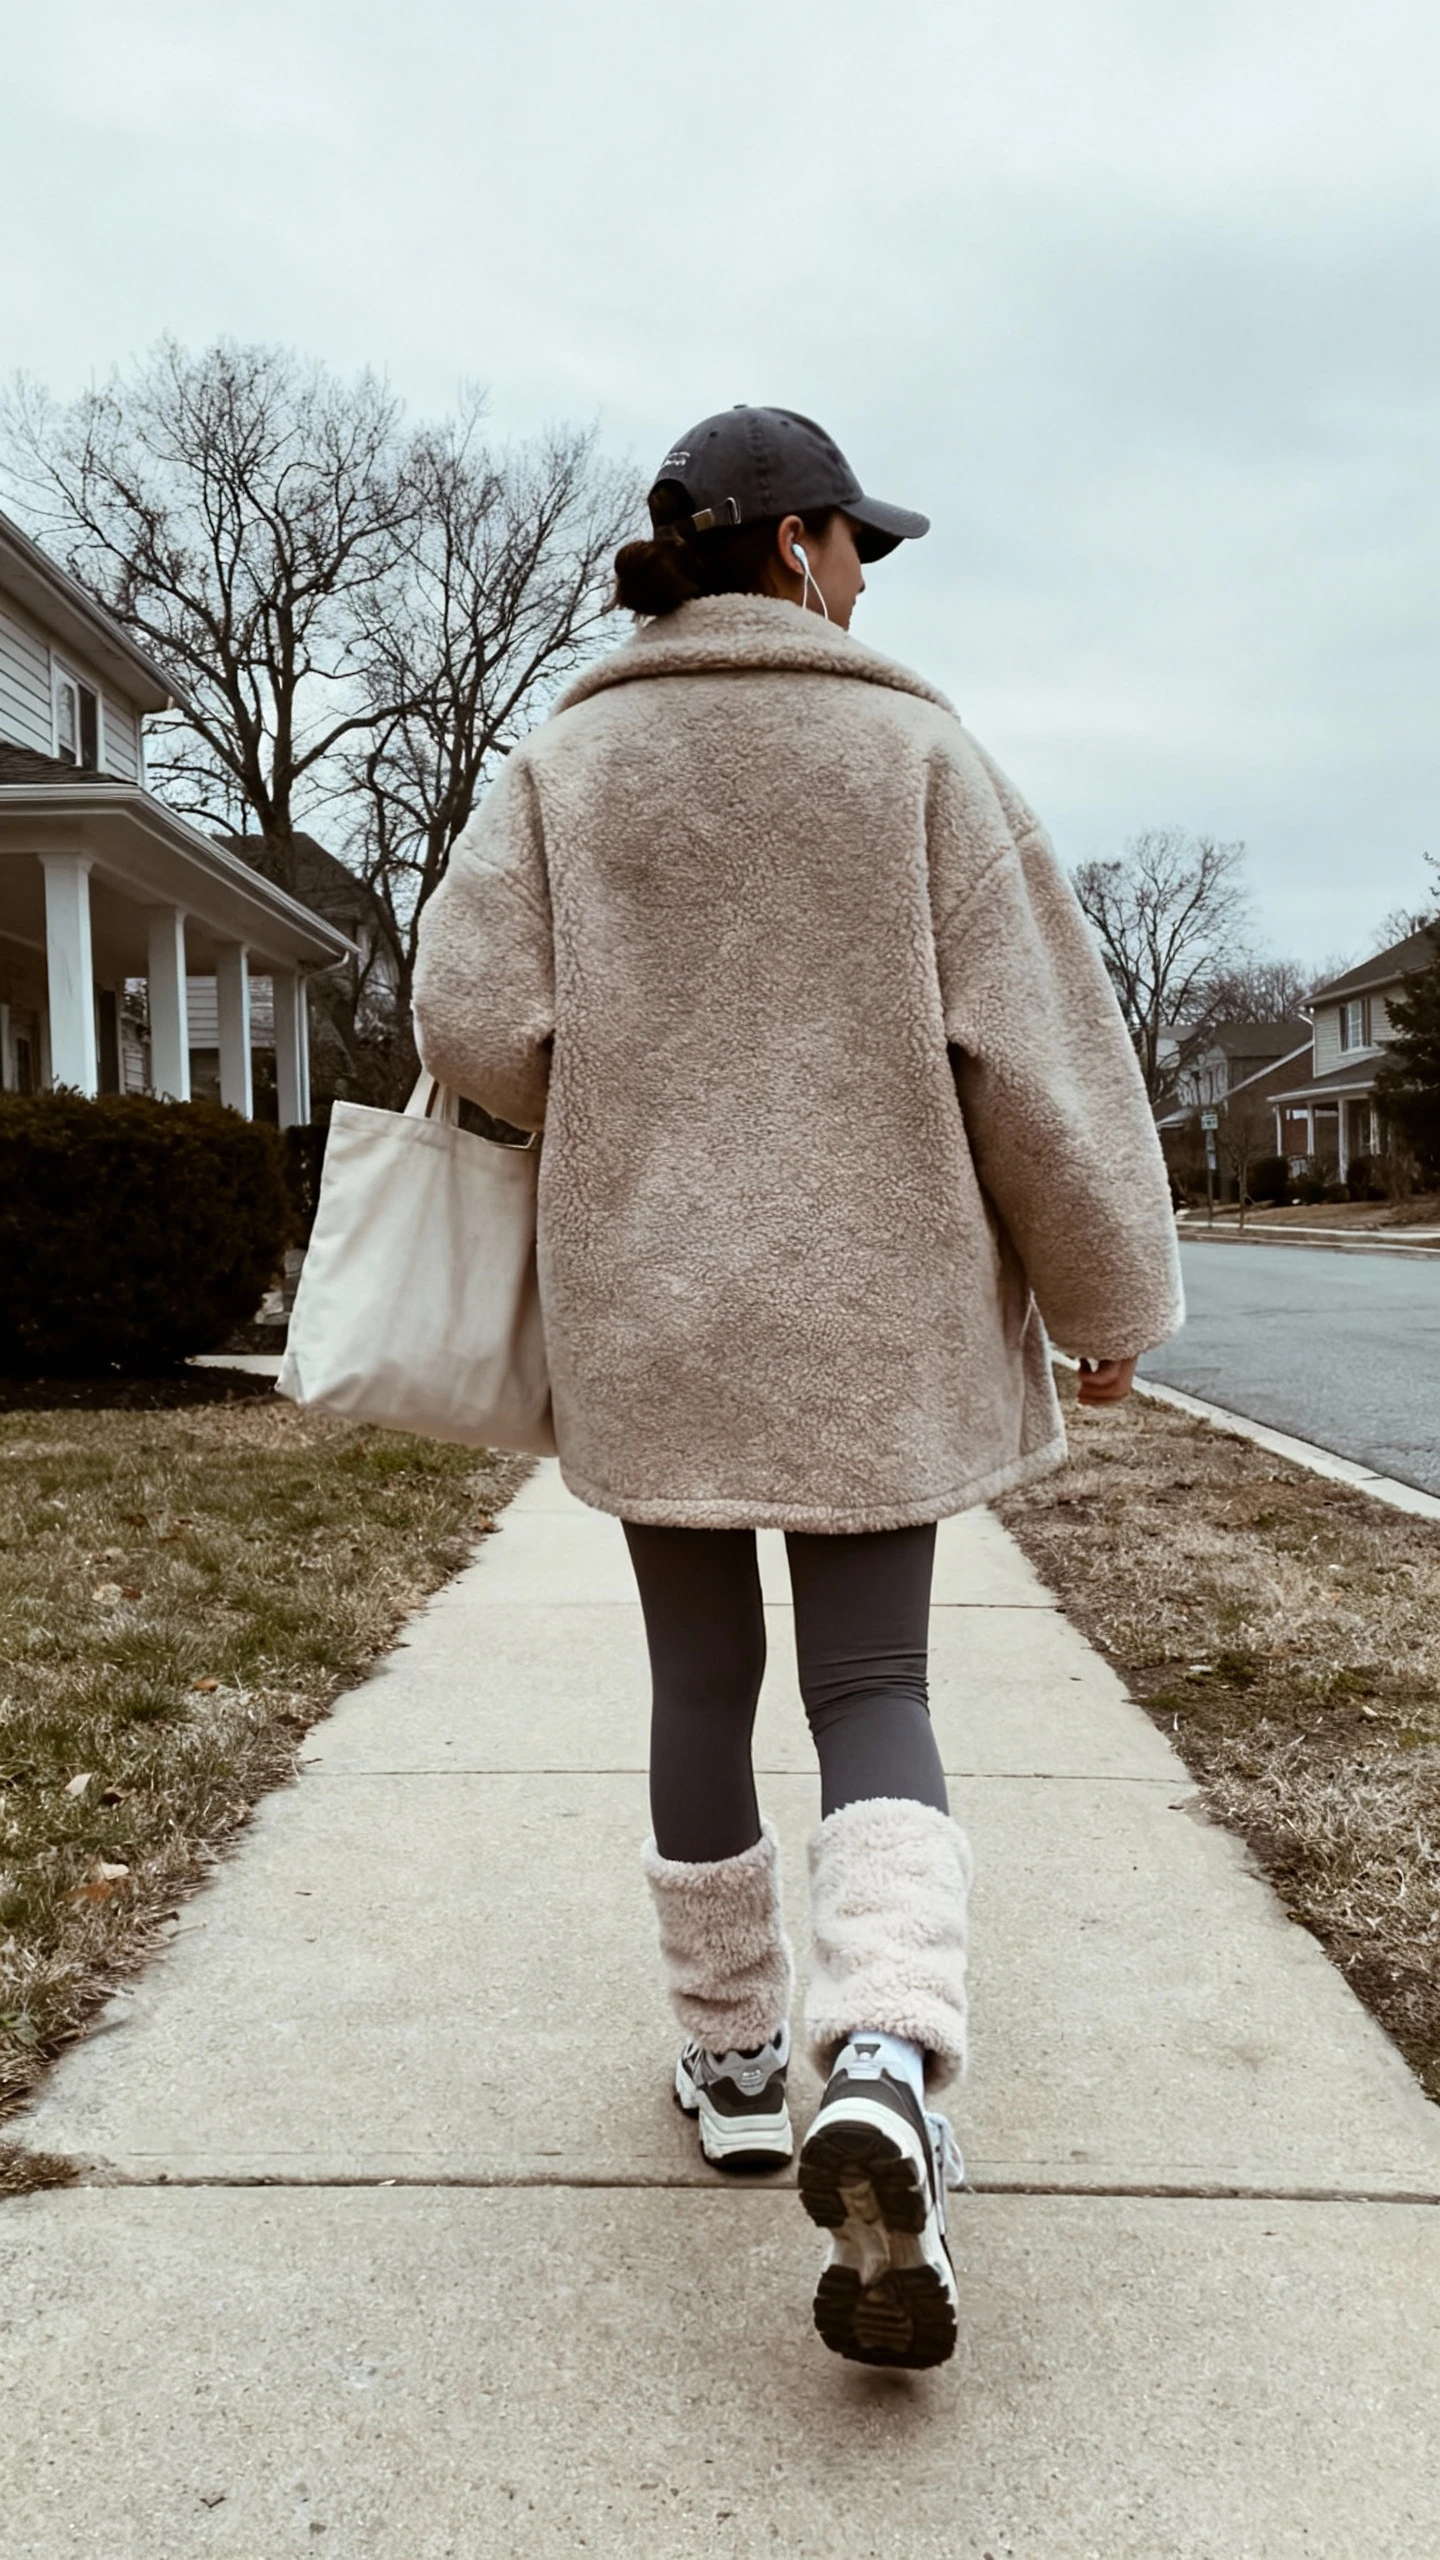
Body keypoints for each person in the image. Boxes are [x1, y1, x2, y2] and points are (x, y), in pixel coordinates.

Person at [413, 404, 1181, 2370]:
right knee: (876, 1688)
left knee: (697, 1682)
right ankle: (890, 2061)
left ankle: (742, 2065)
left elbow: (476, 1022)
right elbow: (1040, 1059)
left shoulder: (565, 759)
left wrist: (627, 1071)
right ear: (798, 544)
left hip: (652, 1305)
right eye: (859, 550)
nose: (866, 585)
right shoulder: (915, 750)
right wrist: (1107, 1294)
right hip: (876, 1309)